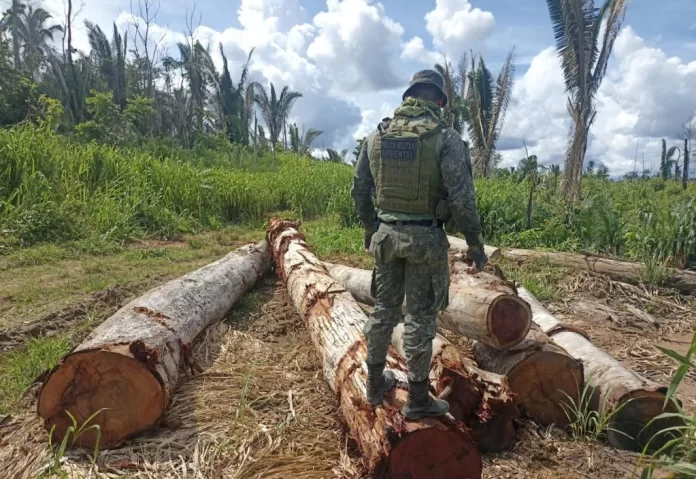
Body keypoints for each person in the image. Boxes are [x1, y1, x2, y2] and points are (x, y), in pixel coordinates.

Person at [350, 69, 487, 420]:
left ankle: (374, 383)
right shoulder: (446, 138)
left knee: (383, 311)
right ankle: (419, 399)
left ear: (408, 96)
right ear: (439, 100)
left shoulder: (376, 136)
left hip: (385, 237)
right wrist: (474, 244)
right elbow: (462, 199)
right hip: (425, 239)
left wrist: (370, 226)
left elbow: (359, 187)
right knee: (421, 318)